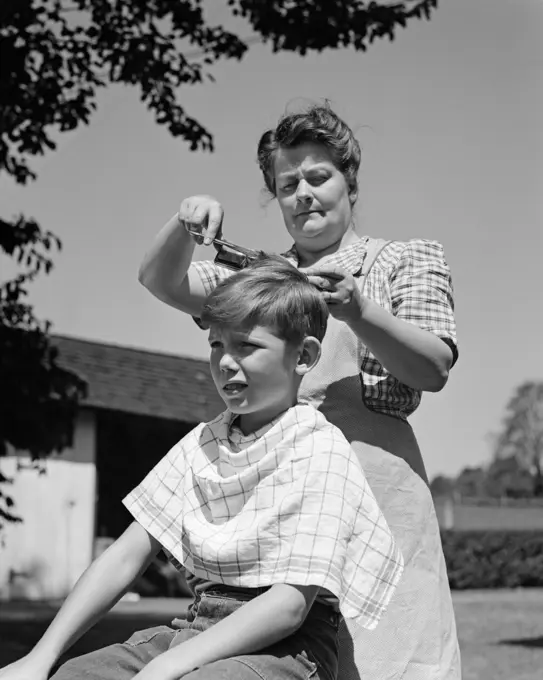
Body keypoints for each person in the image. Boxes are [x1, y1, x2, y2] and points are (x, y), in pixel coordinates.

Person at [137, 102, 462, 679]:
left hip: (380, 495)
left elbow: (432, 367)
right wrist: (183, 222)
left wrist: (360, 310)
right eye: (288, 184)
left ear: (349, 182)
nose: (303, 194)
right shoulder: (261, 280)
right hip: (278, 503)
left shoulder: (405, 258)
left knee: (392, 660)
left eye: (318, 177)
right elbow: (162, 280)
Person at [0, 259, 403, 680]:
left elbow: (289, 605)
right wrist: (39, 658)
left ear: (303, 355)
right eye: (216, 345)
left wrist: (167, 665)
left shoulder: (319, 449)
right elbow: (127, 553)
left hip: (289, 646)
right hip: (198, 624)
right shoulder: (204, 443)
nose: (226, 362)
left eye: (246, 345)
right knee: (75, 677)